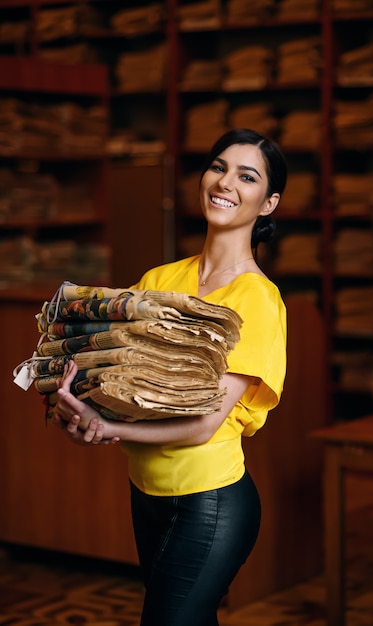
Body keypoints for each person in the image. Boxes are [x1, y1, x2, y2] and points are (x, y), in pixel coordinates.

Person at [53, 128, 288, 626]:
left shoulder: (257, 302)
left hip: (212, 501)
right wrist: (85, 416)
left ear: (267, 204)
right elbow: (121, 385)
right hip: (148, 494)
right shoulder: (160, 281)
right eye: (218, 167)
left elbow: (204, 424)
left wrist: (111, 431)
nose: (225, 182)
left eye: (247, 176)